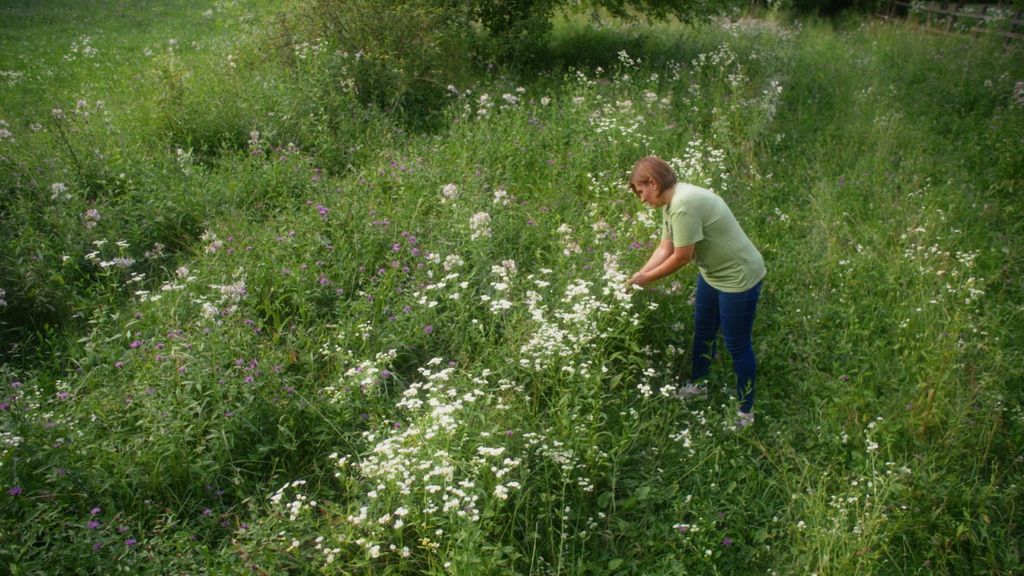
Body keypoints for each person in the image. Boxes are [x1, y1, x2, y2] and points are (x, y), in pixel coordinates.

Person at [625, 156, 766, 429]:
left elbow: (681, 257)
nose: (641, 200)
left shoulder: (684, 204)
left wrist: (647, 280)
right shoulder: (671, 202)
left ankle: (745, 412)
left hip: (738, 277)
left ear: (652, 183)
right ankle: (698, 387)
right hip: (713, 274)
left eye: (641, 192)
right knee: (703, 332)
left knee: (738, 345)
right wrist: (638, 277)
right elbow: (665, 248)